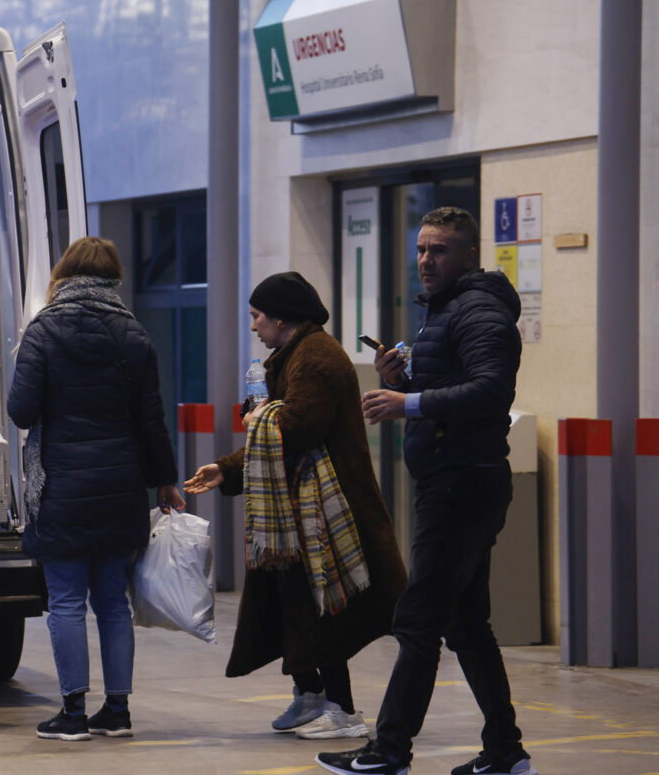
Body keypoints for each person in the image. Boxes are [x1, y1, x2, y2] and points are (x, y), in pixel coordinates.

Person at [316, 207, 535, 775]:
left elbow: (491, 391)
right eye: (420, 249)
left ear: (468, 255)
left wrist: (406, 403)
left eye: (439, 250)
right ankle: (505, 753)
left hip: (463, 485)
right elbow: (453, 388)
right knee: (465, 623)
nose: (425, 260)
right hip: (453, 479)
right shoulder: (447, 309)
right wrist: (402, 379)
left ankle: (389, 751)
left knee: (418, 620)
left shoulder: (480, 311)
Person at [184, 271, 406, 740]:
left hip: (328, 509)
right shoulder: (293, 355)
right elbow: (278, 430)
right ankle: (309, 694)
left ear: (281, 317)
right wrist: (226, 469)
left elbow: (298, 426)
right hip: (296, 508)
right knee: (293, 600)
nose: (253, 326)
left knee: (326, 605)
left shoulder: (317, 357)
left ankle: (342, 710)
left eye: (257, 316)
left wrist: (258, 419)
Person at [7, 236, 185, 742]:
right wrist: (165, 480)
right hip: (121, 487)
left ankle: (71, 714)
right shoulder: (134, 334)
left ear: (64, 273)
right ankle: (118, 711)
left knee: (66, 601)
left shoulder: (43, 330)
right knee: (112, 602)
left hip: (62, 486)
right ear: (113, 277)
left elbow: (21, 411)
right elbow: (152, 420)